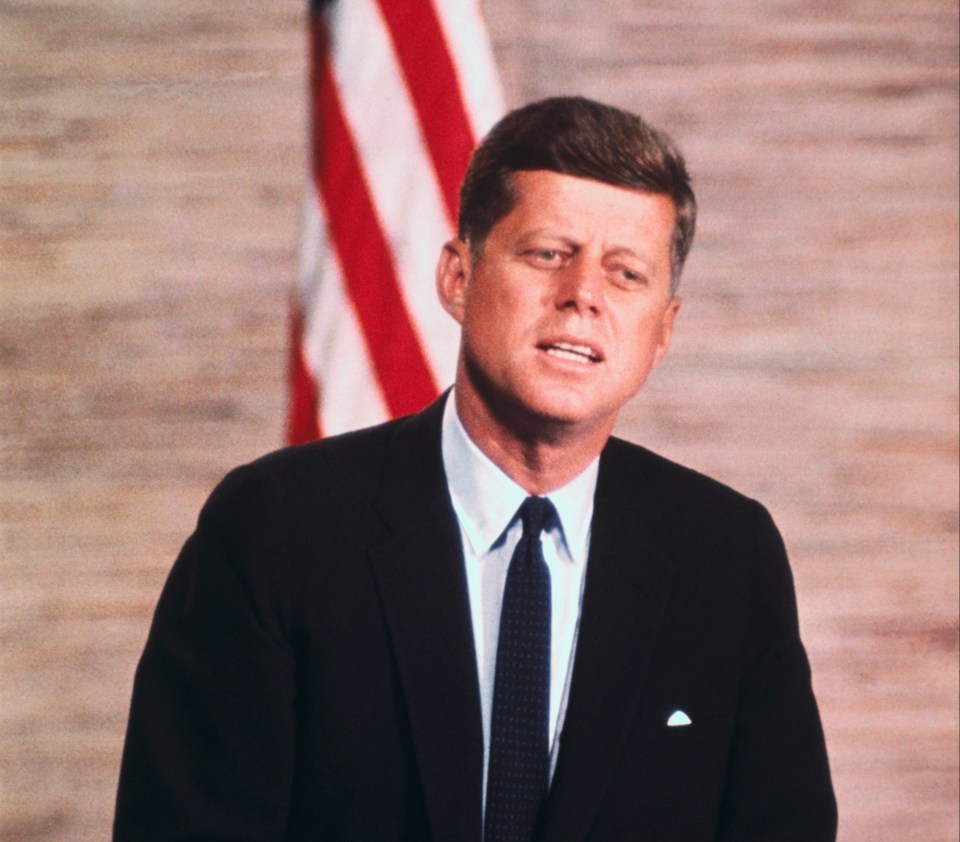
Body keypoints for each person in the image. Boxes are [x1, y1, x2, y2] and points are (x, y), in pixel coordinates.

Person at [114, 96, 837, 841]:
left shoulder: (727, 556)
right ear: (459, 277)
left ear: (663, 331)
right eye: (549, 253)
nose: (582, 295)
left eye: (626, 274)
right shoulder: (276, 527)